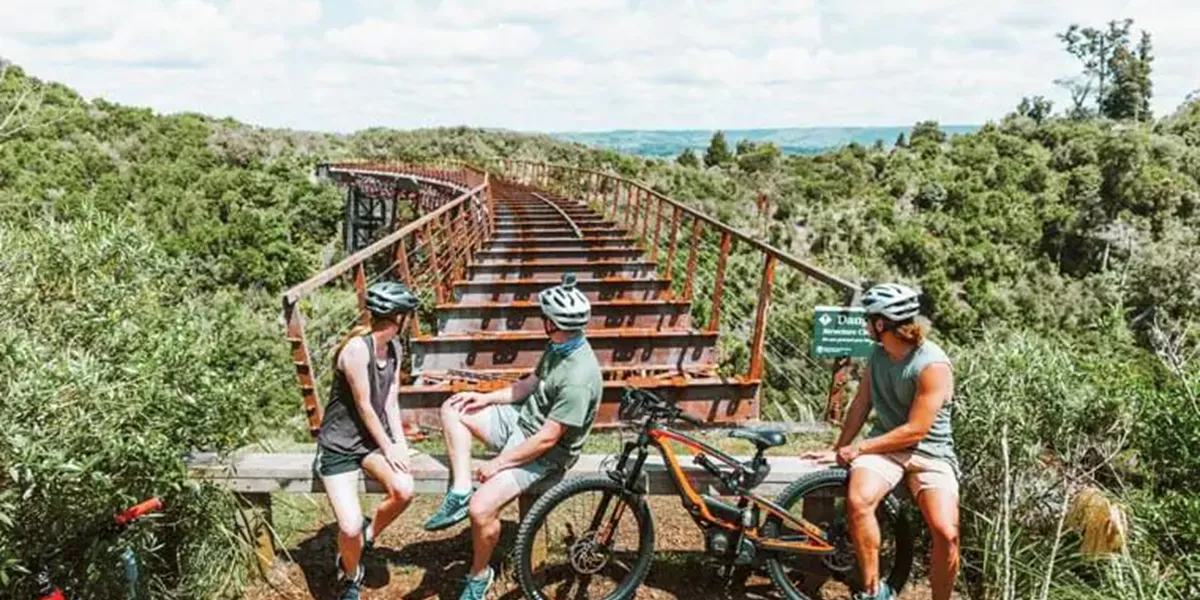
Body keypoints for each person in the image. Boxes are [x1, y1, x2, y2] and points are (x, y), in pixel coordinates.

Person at [422, 273, 603, 600]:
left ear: (553, 323)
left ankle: (479, 575)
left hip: (544, 452)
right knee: (454, 407)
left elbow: (547, 439)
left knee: (481, 509)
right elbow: (528, 385)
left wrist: (498, 463)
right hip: (522, 421)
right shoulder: (559, 345)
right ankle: (459, 491)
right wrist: (485, 398)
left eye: (544, 317)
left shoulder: (578, 378)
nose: (542, 320)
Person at [802, 283, 959, 600]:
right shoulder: (878, 355)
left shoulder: (932, 365)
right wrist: (839, 450)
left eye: (867, 319)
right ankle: (874, 591)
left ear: (880, 324)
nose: (864, 325)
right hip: (885, 449)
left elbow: (916, 430)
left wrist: (859, 448)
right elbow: (861, 404)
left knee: (946, 533)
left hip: (930, 452)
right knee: (859, 502)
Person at [312, 280, 420, 600]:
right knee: (348, 527)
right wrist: (388, 447)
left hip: (370, 443)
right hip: (339, 445)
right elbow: (366, 407)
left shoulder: (395, 347)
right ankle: (350, 575)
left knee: (404, 490)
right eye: (408, 315)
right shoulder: (357, 350)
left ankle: (366, 538)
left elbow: (390, 402)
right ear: (398, 317)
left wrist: (398, 445)